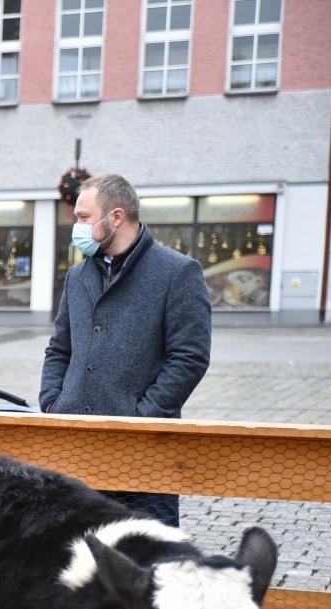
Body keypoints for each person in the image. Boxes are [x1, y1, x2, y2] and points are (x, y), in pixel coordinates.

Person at [40, 173, 211, 527]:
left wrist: (142, 415)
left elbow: (190, 357)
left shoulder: (177, 272)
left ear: (116, 217)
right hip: (76, 447)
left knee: (146, 564)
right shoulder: (78, 275)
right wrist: (52, 400)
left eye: (84, 218)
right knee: (77, 562)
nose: (78, 226)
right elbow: (59, 348)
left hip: (144, 451)